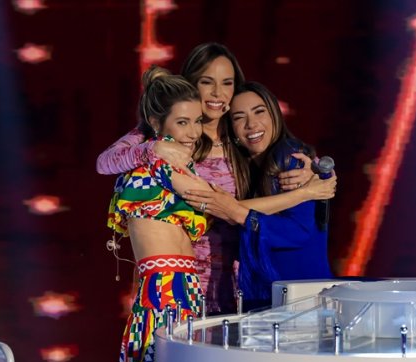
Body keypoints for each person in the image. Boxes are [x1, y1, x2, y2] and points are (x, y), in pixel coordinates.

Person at [98, 43, 325, 314]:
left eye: (227, 83)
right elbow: (105, 162)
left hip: (240, 288)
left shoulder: (241, 135)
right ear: (192, 84)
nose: (218, 93)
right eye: (207, 82)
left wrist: (317, 169)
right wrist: (152, 147)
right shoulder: (167, 137)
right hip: (186, 289)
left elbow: (277, 158)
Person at [107, 66, 229, 362]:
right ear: (157, 123)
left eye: (197, 121)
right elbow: (217, 200)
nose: (194, 132)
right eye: (183, 122)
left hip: (186, 292)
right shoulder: (153, 163)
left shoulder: (174, 164)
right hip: (162, 293)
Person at [190, 81, 333, 309]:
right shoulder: (245, 170)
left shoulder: (290, 157)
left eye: (259, 112)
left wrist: (242, 215)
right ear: (232, 131)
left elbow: (300, 232)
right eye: (239, 117)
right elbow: (232, 211)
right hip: (269, 297)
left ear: (274, 114)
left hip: (301, 298)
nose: (251, 124)